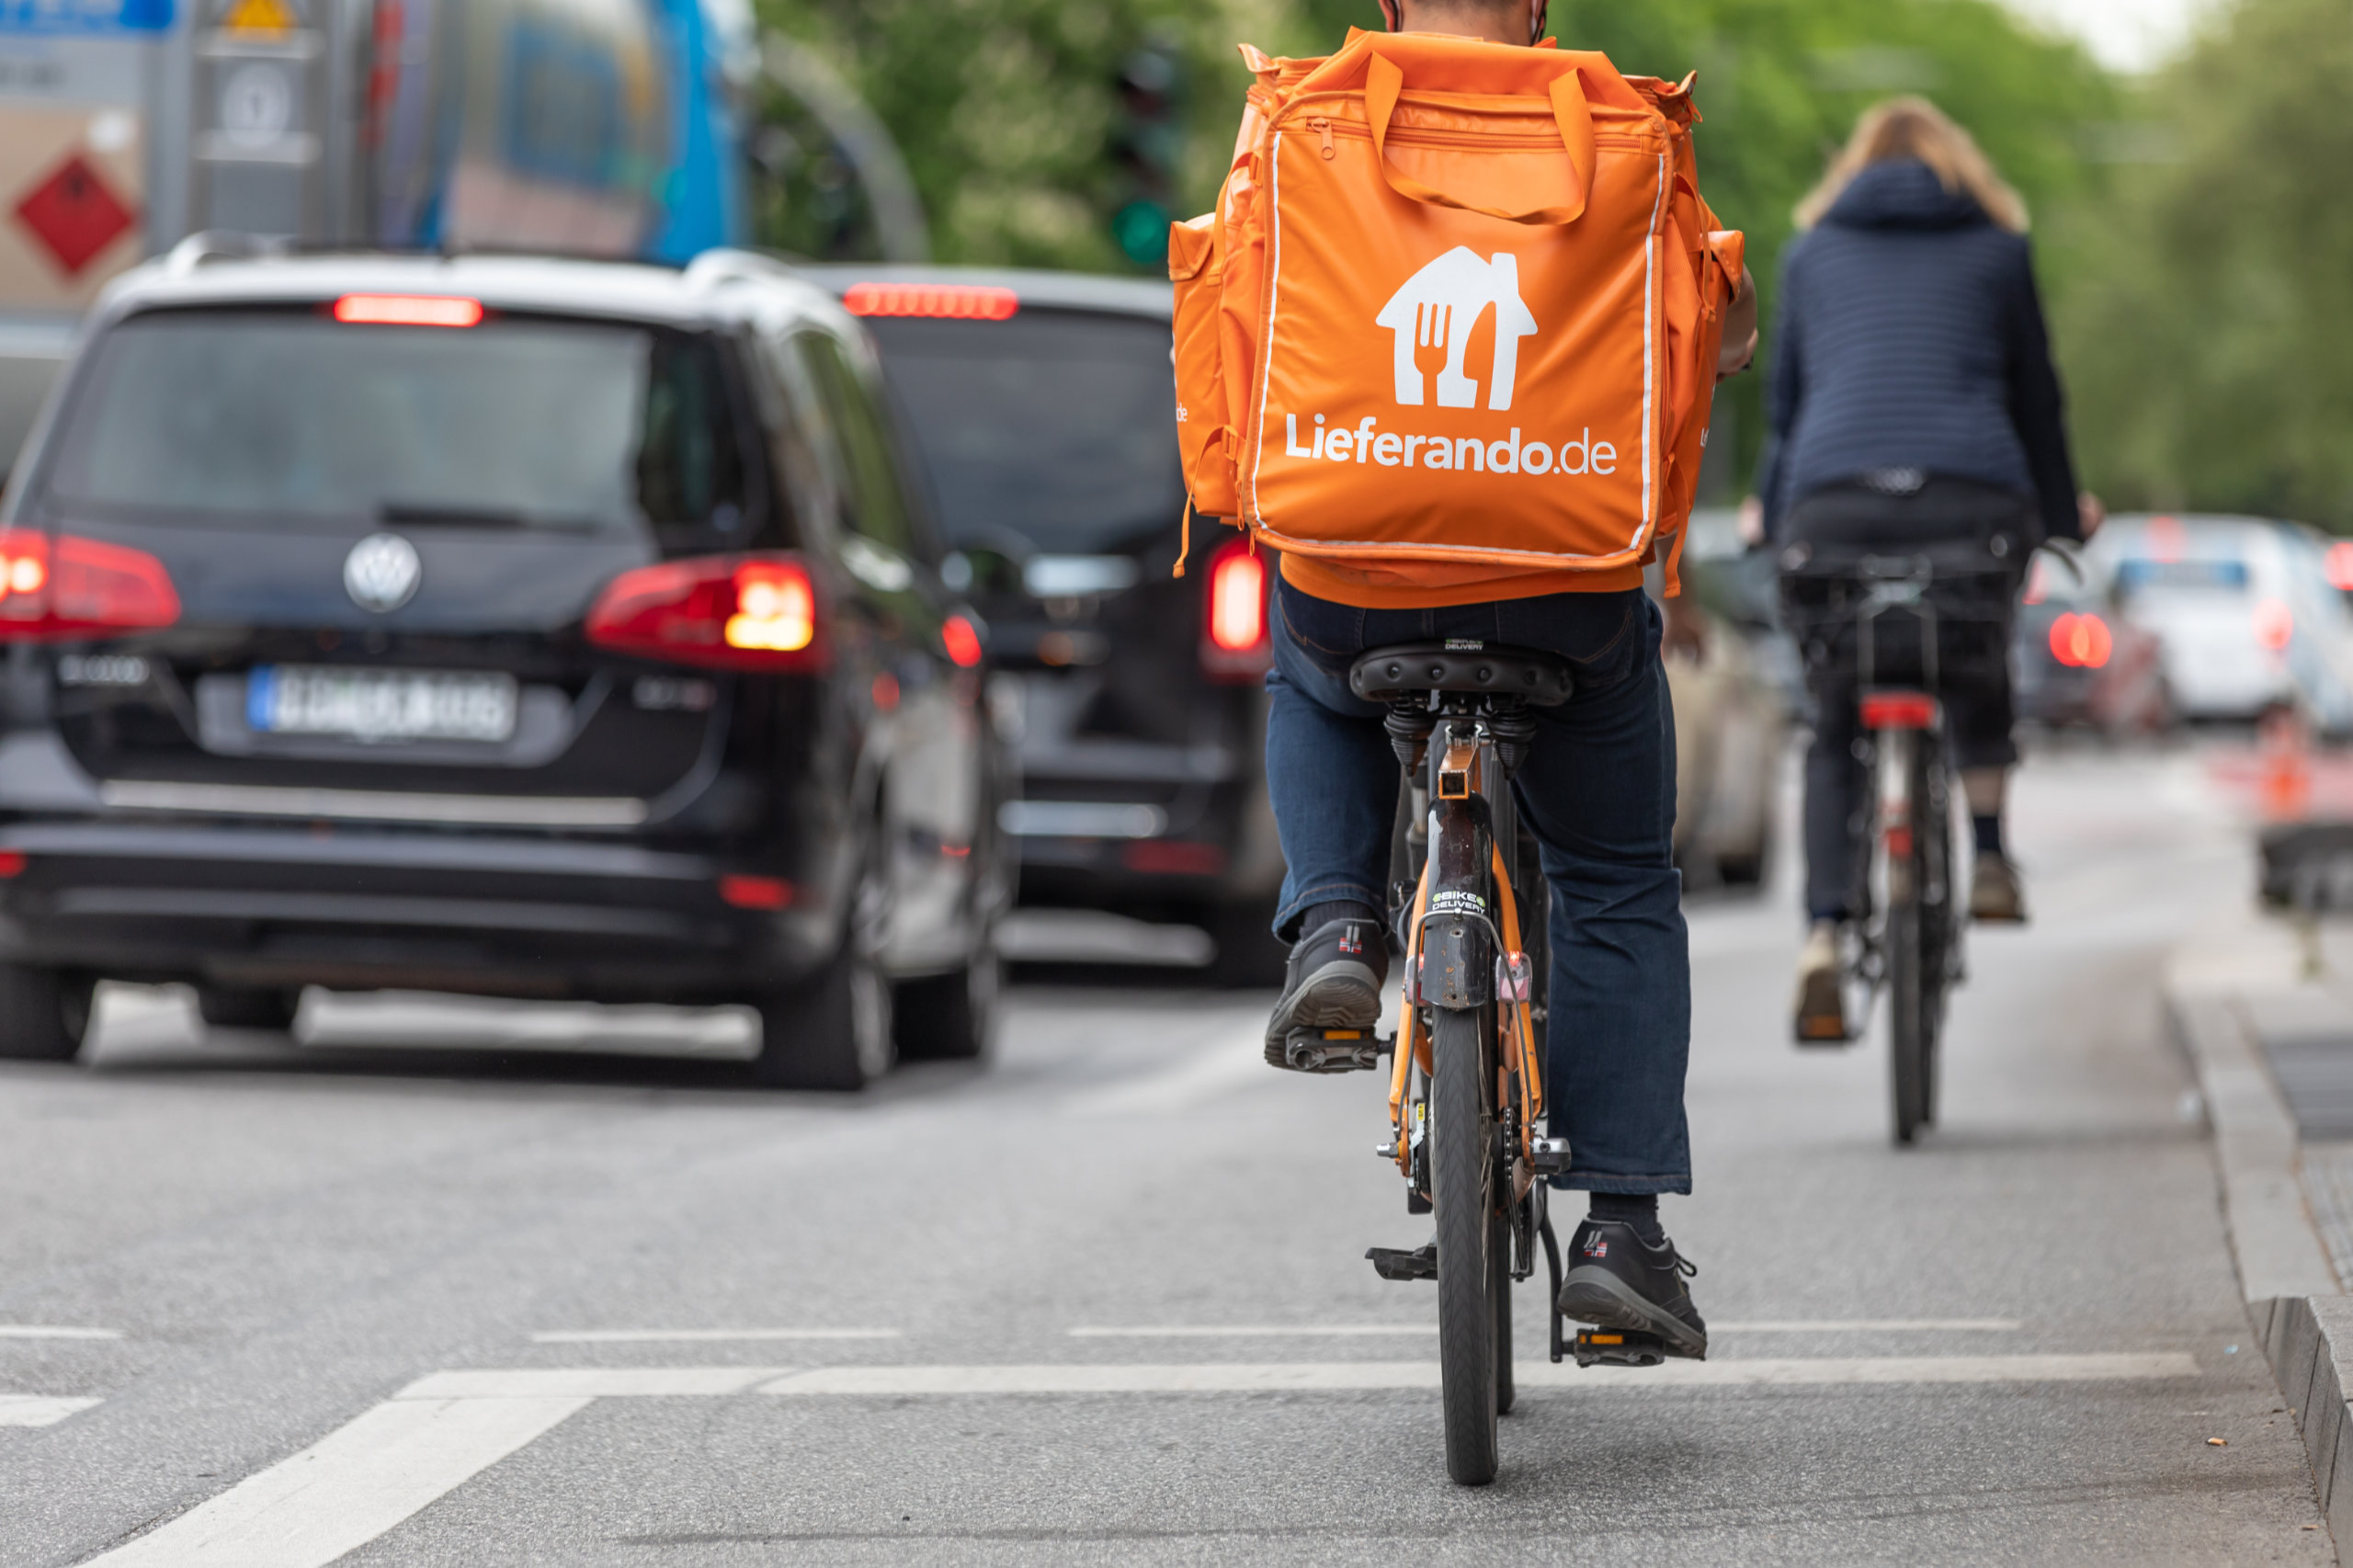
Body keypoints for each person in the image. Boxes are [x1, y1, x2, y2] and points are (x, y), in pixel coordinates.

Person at [1256, 0, 1757, 1358]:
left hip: (1358, 578)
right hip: (1568, 578)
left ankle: (1341, 930)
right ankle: (1623, 1232)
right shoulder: (1625, 127)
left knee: (1307, 673)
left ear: (1390, 7)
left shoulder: (1308, 114)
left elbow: (1243, 312)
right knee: (1615, 882)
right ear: (1534, 11)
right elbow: (1706, 324)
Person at [1758, 97, 2100, 1042]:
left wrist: (1770, 511)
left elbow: (1788, 410)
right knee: (1977, 652)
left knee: (1834, 720)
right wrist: (2063, 513)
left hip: (1832, 503)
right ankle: (1988, 852)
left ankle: (1823, 931)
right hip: (1971, 496)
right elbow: (2038, 399)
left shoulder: (1812, 249)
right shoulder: (1997, 247)